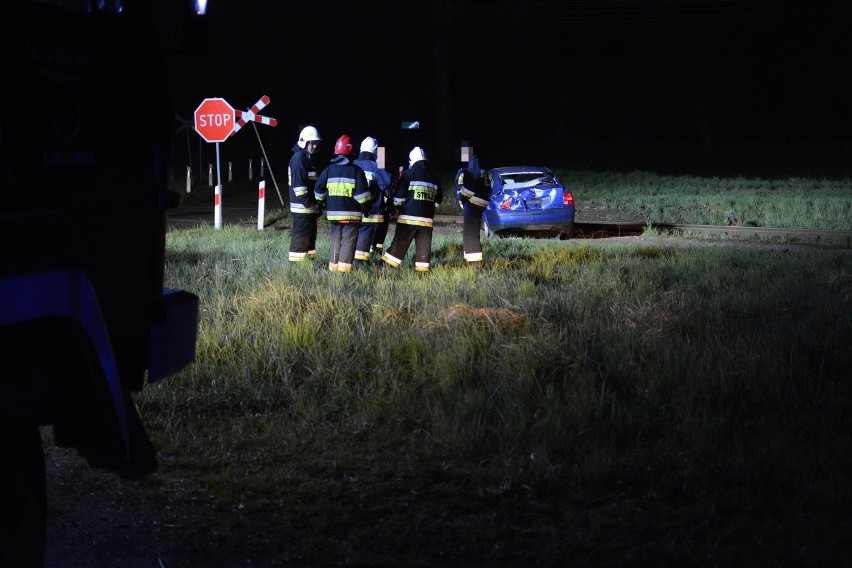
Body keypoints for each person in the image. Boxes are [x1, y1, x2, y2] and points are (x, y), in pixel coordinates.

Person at [314, 135, 371, 273]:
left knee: (335, 240)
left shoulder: (328, 170)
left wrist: (321, 203)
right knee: (348, 241)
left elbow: (318, 190)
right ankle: (344, 272)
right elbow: (362, 195)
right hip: (351, 215)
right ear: (351, 151)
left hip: (333, 214)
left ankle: (333, 268)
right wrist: (367, 209)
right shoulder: (356, 171)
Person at [381, 146, 443, 273]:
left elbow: (398, 199)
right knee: (423, 254)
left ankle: (385, 271)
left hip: (408, 221)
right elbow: (437, 202)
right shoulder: (434, 177)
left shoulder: (408, 174)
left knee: (397, 248)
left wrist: (399, 207)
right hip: (426, 222)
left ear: (412, 160)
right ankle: (422, 275)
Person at [353, 136, 392, 265]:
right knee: (366, 237)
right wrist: (380, 163)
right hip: (371, 210)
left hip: (352, 210)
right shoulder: (375, 166)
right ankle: (361, 263)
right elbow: (387, 183)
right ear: (375, 152)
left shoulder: (352, 164)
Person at [287, 125, 322, 263]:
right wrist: (309, 203)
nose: (314, 146)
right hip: (303, 208)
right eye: (312, 143)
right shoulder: (299, 158)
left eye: (316, 143)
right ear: (304, 142)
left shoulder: (307, 158)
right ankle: (296, 268)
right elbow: (299, 187)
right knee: (300, 240)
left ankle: (308, 264)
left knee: (309, 240)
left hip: (308, 208)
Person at [457, 154, 490, 264]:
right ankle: (469, 259)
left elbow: (470, 185)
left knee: (470, 232)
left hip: (473, 201)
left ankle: (474, 263)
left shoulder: (472, 164)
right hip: (479, 201)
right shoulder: (478, 165)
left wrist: (462, 198)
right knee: (470, 231)